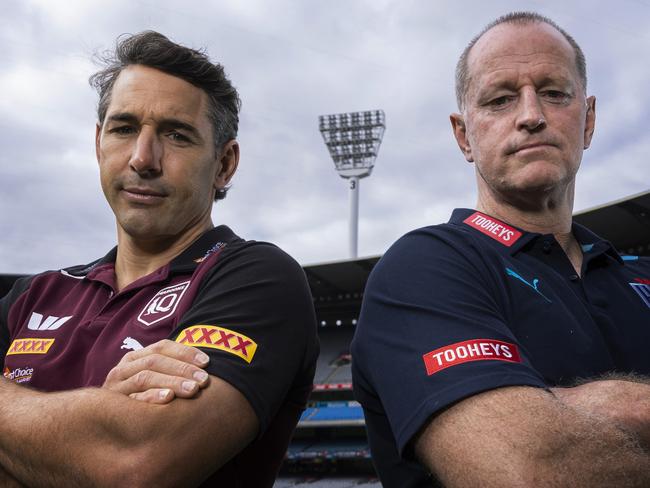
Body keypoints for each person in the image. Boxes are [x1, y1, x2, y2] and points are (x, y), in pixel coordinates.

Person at [0, 31, 318, 487]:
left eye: (176, 135)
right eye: (124, 128)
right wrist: (97, 416)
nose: (142, 158)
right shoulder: (34, 295)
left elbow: (131, 464)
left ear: (224, 164)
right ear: (98, 144)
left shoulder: (257, 278)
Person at [351, 11, 650, 487]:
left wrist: (554, 406)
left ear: (588, 121)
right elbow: (529, 471)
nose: (531, 115)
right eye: (499, 99)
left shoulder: (641, 278)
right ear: (463, 135)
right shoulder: (424, 267)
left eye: (554, 93)